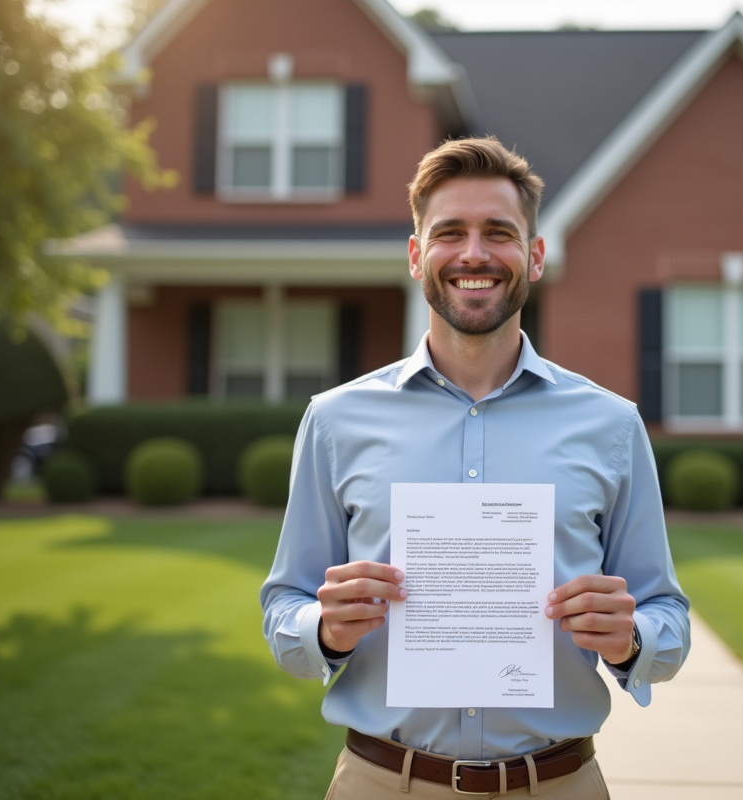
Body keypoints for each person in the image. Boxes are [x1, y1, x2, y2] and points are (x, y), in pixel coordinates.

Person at [261, 136, 690, 798]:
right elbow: (283, 605)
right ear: (416, 255)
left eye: (499, 232)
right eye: (449, 233)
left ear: (535, 256)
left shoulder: (611, 425)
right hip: (382, 782)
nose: (473, 254)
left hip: (558, 783)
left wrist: (631, 638)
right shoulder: (335, 420)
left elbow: (667, 615)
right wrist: (324, 628)